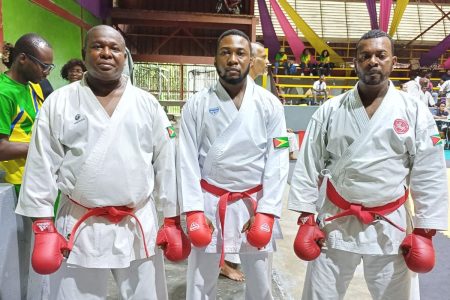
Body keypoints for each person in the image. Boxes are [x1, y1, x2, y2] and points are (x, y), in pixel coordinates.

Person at [15, 25, 191, 299]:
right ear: (84, 54)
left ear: (125, 56)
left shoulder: (147, 104)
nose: (106, 53)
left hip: (136, 222)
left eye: (115, 48)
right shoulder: (59, 102)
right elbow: (41, 163)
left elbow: (166, 164)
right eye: (98, 47)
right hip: (79, 223)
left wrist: (172, 218)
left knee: (146, 294)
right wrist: (43, 224)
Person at [288, 29, 448, 300]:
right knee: (319, 295)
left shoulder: (414, 111)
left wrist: (425, 229)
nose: (373, 61)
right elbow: (308, 163)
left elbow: (429, 171)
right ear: (356, 63)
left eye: (380, 55)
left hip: (389, 226)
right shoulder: (331, 109)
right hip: (336, 222)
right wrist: (305, 218)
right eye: (365, 56)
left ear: (393, 61)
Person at [179, 29, 289, 300]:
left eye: (240, 53)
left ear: (250, 60)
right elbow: (185, 159)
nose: (232, 59)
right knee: (200, 280)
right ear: (215, 59)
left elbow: (278, 158)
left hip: (254, 201)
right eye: (225, 52)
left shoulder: (270, 104)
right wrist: (192, 209)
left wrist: (268, 210)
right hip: (210, 201)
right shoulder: (196, 104)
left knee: (261, 280)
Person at [0, 33, 53, 299]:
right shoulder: (3, 93)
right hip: (18, 185)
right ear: (22, 59)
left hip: (39, 178)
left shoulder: (33, 87)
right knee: (27, 260)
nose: (46, 72)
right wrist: (42, 146)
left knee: (49, 258)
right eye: (43, 66)